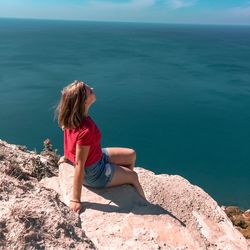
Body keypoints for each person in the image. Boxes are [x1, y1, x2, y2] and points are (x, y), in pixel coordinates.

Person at [56, 80, 146, 213]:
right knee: (133, 176)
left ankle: (122, 181)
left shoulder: (72, 119)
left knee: (131, 154)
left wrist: (68, 157)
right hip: (94, 173)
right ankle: (144, 204)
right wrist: (75, 199)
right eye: (90, 91)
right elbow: (80, 165)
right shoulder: (86, 130)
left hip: (97, 155)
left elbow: (71, 141)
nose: (92, 88)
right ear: (84, 102)